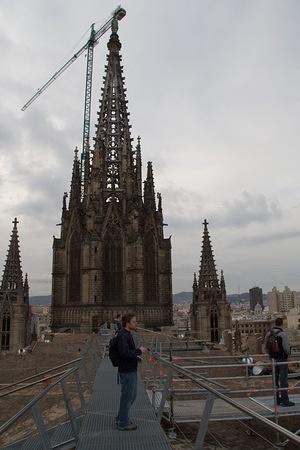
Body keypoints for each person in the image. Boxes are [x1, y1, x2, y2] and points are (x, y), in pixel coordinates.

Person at [116, 313, 147, 431]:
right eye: (134, 322)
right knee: (128, 396)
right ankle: (123, 423)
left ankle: (121, 417)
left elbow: (128, 352)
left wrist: (136, 357)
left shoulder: (126, 334)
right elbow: (124, 353)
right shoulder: (123, 335)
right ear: (128, 323)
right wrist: (139, 351)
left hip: (130, 369)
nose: (136, 323)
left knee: (131, 396)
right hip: (127, 371)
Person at [265, 317, 295, 407]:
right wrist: (289, 353)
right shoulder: (283, 334)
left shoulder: (269, 333)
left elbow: (266, 348)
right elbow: (286, 348)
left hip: (273, 359)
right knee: (283, 380)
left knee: (275, 380)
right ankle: (285, 401)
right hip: (282, 359)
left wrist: (270, 356)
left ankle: (277, 400)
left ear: (274, 323)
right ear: (281, 324)